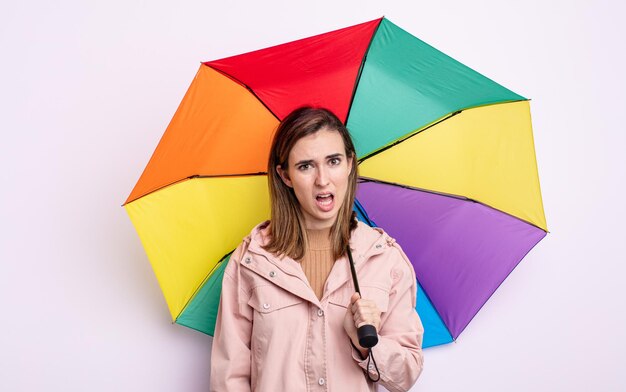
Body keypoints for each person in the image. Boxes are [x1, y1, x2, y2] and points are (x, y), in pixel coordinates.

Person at [210, 107, 424, 391]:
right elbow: (229, 379)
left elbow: (405, 376)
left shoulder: (383, 259)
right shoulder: (252, 261)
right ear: (285, 176)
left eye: (333, 161)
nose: (322, 180)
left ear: (349, 164)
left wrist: (367, 345)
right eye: (305, 166)